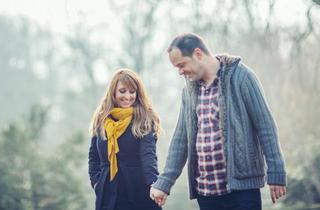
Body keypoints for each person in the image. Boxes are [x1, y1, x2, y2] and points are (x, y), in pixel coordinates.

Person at [150, 33, 287, 210]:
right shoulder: (189, 92)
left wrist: (276, 172)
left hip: (242, 192)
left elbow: (265, 126)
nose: (180, 72)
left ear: (198, 54)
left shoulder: (241, 77)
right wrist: (164, 183)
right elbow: (180, 140)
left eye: (181, 65)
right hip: (206, 194)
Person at [89, 68, 162, 210]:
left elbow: (149, 157)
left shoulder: (144, 120)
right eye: (122, 91)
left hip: (138, 192)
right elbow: (94, 157)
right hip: (108, 195)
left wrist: (155, 185)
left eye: (132, 91)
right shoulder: (102, 120)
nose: (128, 96)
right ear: (113, 92)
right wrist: (97, 183)